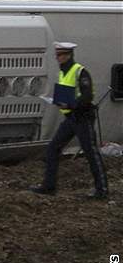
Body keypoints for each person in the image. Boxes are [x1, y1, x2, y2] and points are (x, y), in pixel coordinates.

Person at [31, 42, 108, 199]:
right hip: (70, 118)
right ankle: (49, 186)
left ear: (68, 55)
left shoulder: (80, 71)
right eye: (57, 55)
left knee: (91, 152)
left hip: (82, 117)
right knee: (53, 148)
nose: (58, 58)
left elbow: (87, 96)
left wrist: (72, 104)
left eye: (60, 55)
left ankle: (102, 190)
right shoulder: (63, 72)